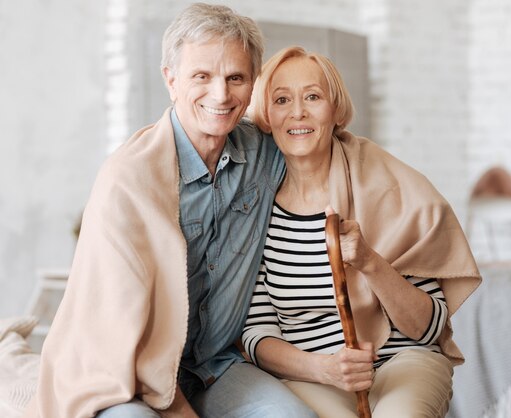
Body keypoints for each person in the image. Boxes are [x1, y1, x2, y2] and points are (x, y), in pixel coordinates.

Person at [23, 5, 316, 418]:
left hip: (215, 364)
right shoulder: (128, 179)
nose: (221, 94)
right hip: (125, 372)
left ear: (253, 84)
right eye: (202, 76)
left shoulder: (266, 153)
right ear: (170, 79)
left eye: (236, 77)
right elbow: (113, 330)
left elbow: (335, 149)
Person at [241, 46, 482, 418]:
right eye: (282, 99)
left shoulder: (389, 189)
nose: (298, 112)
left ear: (335, 109)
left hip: (403, 361)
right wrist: (323, 369)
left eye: (313, 96)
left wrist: (370, 262)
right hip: (313, 374)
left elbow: (430, 327)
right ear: (266, 116)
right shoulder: (254, 206)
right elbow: (257, 333)